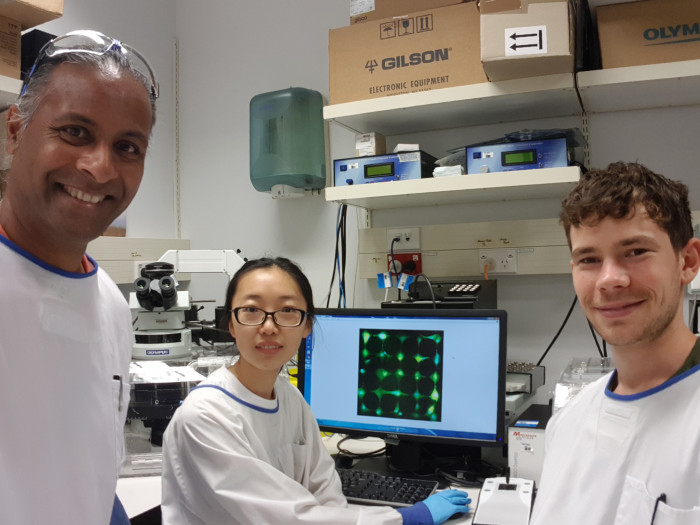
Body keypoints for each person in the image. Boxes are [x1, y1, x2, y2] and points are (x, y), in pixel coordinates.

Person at [161, 257, 471, 524]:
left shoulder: (289, 398)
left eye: (287, 310)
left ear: (307, 325)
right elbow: (287, 519)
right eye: (252, 310)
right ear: (231, 323)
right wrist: (405, 518)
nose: (269, 326)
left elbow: (326, 492)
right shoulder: (204, 416)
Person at [0, 30, 158, 524]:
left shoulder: (111, 305)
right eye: (75, 132)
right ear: (15, 130)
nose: (100, 168)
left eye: (127, 147)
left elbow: (86, 471)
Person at [530, 162, 700, 524]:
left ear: (687, 261)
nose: (609, 279)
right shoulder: (566, 425)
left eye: (635, 251)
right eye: (589, 259)